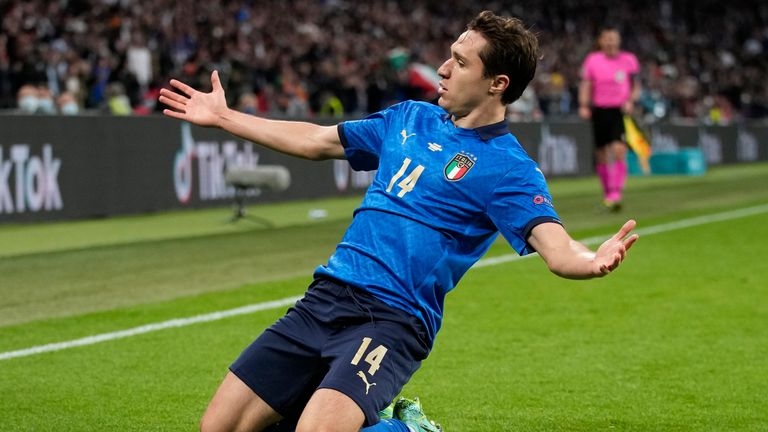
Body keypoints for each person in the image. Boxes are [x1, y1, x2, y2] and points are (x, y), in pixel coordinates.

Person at [159, 10, 639, 432]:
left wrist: (590, 261)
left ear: (498, 84)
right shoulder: (408, 118)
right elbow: (316, 141)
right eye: (450, 55)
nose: (443, 69)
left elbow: (556, 247)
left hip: (393, 319)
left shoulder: (508, 168)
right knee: (219, 426)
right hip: (325, 298)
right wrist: (224, 118)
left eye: (461, 63)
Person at [578, 26, 641, 212]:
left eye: (613, 38)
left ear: (619, 41)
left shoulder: (629, 60)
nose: (610, 42)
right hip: (599, 110)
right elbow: (586, 84)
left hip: (619, 110)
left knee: (619, 149)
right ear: (601, 41)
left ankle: (616, 193)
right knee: (602, 153)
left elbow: (636, 86)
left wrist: (631, 101)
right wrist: (583, 105)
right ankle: (608, 193)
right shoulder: (592, 60)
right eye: (607, 39)